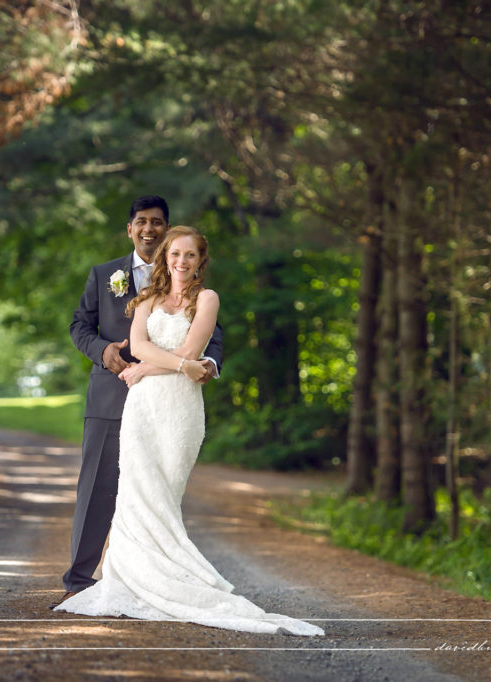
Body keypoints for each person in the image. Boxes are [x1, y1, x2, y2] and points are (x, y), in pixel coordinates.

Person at [56, 226, 323, 637]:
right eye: (175, 254)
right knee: (135, 494)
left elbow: (191, 350)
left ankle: (172, 583)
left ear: (200, 261)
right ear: (165, 257)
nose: (182, 261)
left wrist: (153, 368)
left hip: (179, 408)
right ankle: (131, 581)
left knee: (164, 496)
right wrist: (172, 365)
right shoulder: (146, 298)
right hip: (142, 408)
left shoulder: (207, 299)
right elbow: (138, 347)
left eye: (190, 255)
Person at [53, 196, 223, 608]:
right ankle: (79, 578)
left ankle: (153, 580)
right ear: (129, 229)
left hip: (167, 398)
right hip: (111, 394)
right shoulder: (104, 274)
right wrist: (101, 351)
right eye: (141, 222)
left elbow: (211, 336)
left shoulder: (192, 284)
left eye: (158, 222)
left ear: (167, 231)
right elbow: (79, 325)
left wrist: (209, 363)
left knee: (154, 492)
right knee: (97, 488)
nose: (149, 229)